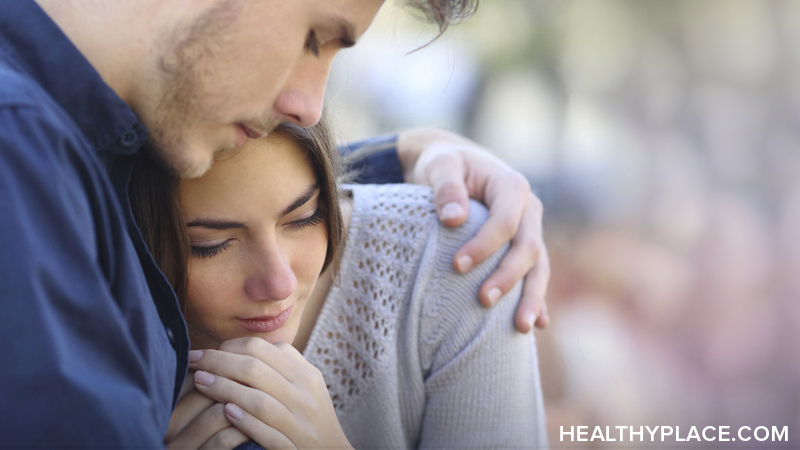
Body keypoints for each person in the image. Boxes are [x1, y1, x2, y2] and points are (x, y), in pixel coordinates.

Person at [0, 0, 549, 447]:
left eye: (304, 215)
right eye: (313, 37)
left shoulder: (66, 149)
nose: (309, 105)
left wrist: (398, 156)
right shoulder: (21, 160)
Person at [130, 118, 547, 449]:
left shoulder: (453, 259)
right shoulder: (102, 314)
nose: (279, 283)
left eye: (304, 217)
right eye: (211, 245)